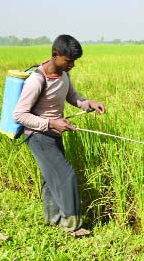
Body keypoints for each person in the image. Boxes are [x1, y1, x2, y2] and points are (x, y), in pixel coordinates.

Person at [13, 34, 105, 237]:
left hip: (53, 134)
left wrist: (88, 103)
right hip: (38, 136)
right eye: (68, 60)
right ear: (55, 55)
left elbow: (72, 96)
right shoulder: (37, 80)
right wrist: (51, 123)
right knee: (66, 176)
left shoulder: (64, 74)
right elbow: (19, 114)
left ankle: (52, 218)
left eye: (74, 61)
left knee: (51, 177)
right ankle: (72, 225)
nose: (72, 64)